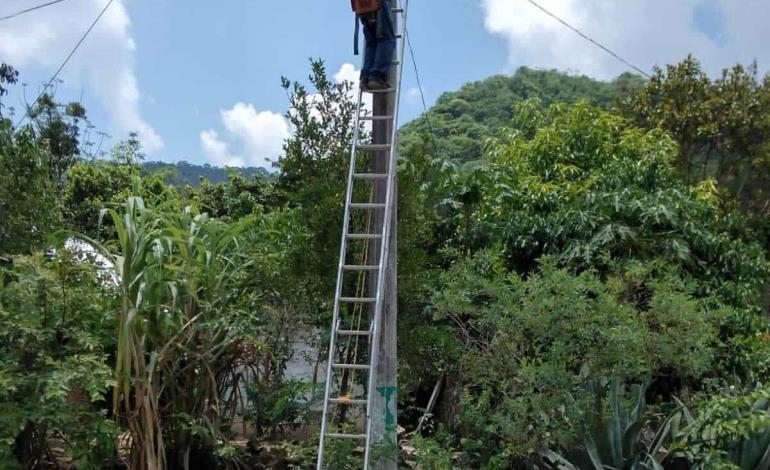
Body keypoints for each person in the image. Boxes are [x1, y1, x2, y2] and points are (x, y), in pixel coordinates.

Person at [356, 0, 396, 91]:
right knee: (386, 39)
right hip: (377, 4)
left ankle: (365, 78)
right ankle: (376, 76)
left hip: (362, 6)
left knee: (372, 43)